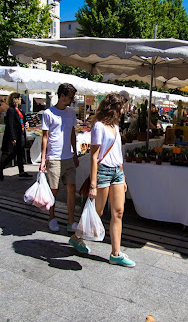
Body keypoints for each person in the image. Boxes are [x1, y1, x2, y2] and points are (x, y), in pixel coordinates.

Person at [69, 93, 135, 267]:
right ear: (113, 108)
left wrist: (123, 176)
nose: (123, 111)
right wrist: (92, 184)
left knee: (119, 211)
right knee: (96, 213)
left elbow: (117, 153)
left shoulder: (115, 126)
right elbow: (94, 156)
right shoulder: (98, 126)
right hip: (103, 172)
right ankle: (76, 238)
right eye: (122, 107)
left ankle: (116, 253)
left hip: (117, 172)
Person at [40, 83, 79, 232]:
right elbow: (45, 137)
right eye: (70, 97)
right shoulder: (48, 113)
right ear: (62, 96)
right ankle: (52, 218)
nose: (72, 100)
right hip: (54, 157)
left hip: (68, 157)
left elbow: (72, 134)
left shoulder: (71, 113)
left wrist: (75, 153)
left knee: (71, 188)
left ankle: (70, 221)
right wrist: (43, 160)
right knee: (53, 190)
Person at [0, 92, 31, 180]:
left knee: (20, 153)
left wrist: (26, 124)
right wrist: (13, 138)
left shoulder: (20, 110)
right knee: (11, 154)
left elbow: (24, 121)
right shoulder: (11, 110)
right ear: (15, 99)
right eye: (19, 99)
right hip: (15, 135)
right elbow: (10, 125)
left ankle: (21, 172)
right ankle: (0, 167)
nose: (20, 100)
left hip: (21, 134)